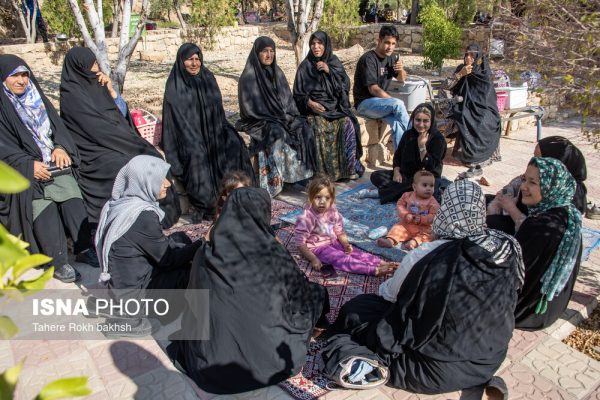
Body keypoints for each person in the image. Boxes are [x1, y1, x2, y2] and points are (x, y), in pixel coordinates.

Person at [321, 180, 524, 394]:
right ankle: (479, 383)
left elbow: (389, 294)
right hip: (488, 358)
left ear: (446, 209)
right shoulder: (502, 247)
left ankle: (363, 367)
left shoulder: (430, 253)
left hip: (430, 370)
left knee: (357, 312)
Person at [168, 187, 330, 394]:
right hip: (272, 363)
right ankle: (320, 328)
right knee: (316, 293)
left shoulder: (206, 253)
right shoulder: (272, 251)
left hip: (210, 366)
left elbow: (195, 305)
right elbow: (298, 289)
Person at [0, 54, 96, 283]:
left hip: (51, 164)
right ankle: (58, 261)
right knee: (44, 208)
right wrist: (27, 165)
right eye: (15, 76)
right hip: (19, 171)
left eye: (25, 75)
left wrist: (60, 147)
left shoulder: (37, 99)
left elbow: (58, 129)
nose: (22, 80)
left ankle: (83, 249)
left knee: (72, 196)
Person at [60, 47, 180, 229]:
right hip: (94, 151)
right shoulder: (71, 96)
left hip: (116, 142)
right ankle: (131, 220)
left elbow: (120, 117)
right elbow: (96, 130)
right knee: (124, 166)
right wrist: (129, 144)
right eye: (92, 65)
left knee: (153, 157)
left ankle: (158, 214)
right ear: (80, 67)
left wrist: (111, 92)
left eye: (96, 65)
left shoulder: (98, 86)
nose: (96, 70)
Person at [92, 155, 202, 335]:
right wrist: (202, 243)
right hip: (135, 296)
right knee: (190, 272)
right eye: (160, 179)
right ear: (143, 181)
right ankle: (128, 319)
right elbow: (168, 260)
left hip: (121, 283)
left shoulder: (119, 204)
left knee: (181, 237)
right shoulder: (141, 217)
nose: (167, 184)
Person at [162, 43, 254, 223]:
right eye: (190, 59)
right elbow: (177, 122)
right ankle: (209, 203)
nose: (194, 63)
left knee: (234, 144)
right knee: (197, 155)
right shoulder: (174, 86)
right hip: (186, 135)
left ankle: (236, 193)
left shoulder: (208, 78)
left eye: (197, 59)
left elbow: (217, 112)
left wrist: (216, 132)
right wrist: (197, 138)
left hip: (214, 130)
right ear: (181, 61)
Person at [495, 157, 582, 330]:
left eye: (533, 183)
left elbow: (510, 274)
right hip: (551, 309)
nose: (523, 187)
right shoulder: (570, 213)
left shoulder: (540, 227)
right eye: (525, 179)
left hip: (527, 312)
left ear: (552, 186)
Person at [236, 36, 316, 197]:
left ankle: (304, 177)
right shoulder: (248, 77)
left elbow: (287, 100)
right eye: (265, 51)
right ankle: (275, 184)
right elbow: (249, 108)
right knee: (276, 133)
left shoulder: (276, 72)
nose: (269, 55)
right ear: (257, 53)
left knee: (304, 128)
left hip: (280, 116)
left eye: (272, 51)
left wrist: (289, 116)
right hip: (259, 120)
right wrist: (275, 116)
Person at [293, 31, 364, 181]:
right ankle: (323, 174)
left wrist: (329, 71)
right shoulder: (305, 67)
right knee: (317, 128)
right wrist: (310, 103)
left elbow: (345, 86)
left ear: (326, 45)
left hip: (335, 109)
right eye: (313, 44)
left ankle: (349, 168)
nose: (316, 47)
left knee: (349, 124)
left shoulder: (333, 62)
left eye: (319, 43)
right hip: (315, 112)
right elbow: (298, 94)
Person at [295, 176, 395, 276]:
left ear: (332, 199)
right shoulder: (306, 218)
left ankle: (382, 263)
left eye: (327, 198)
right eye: (318, 197)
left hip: (333, 242)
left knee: (355, 252)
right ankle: (374, 270)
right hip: (318, 248)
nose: (322, 201)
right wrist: (313, 259)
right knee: (342, 259)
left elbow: (339, 231)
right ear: (311, 197)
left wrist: (345, 244)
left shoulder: (332, 211)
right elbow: (300, 244)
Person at [487, 135, 588, 234]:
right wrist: (504, 196)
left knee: (487, 223)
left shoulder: (567, 196)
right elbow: (514, 186)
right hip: (516, 211)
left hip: (525, 227)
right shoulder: (541, 175)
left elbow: (535, 228)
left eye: (539, 157)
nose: (535, 161)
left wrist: (510, 207)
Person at [365, 103, 447, 204]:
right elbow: (398, 156)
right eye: (418, 120)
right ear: (413, 120)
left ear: (432, 122)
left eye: (425, 121)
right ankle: (410, 195)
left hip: (428, 178)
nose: (421, 125)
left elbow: (431, 167)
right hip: (406, 176)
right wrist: (396, 172)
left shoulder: (438, 139)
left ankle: (382, 193)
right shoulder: (408, 135)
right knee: (376, 176)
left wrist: (422, 146)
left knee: (425, 188)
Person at [447, 44, 501, 178]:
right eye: (467, 54)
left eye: (472, 55)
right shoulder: (461, 69)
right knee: (468, 118)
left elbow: (487, 94)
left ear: (478, 57)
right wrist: (460, 75)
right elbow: (445, 86)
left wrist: (480, 105)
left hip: (482, 105)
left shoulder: (483, 72)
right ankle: (470, 155)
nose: (468, 58)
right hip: (463, 103)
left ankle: (482, 155)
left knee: (490, 120)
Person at [353, 25, 409, 150]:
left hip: (380, 105)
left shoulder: (392, 58)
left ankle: (400, 161)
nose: (390, 47)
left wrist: (401, 70)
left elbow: (402, 79)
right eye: (387, 43)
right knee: (398, 104)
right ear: (379, 40)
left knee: (397, 124)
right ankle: (417, 139)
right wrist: (392, 101)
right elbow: (373, 89)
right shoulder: (368, 59)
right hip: (364, 104)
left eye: (393, 44)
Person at [376, 170, 440, 250]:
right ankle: (390, 240)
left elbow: (435, 215)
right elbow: (400, 205)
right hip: (407, 224)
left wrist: (422, 219)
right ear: (414, 187)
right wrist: (405, 214)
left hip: (424, 227)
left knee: (429, 236)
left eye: (431, 186)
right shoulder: (407, 195)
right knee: (397, 228)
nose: (428, 188)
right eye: (425, 185)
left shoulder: (433, 202)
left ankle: (412, 243)